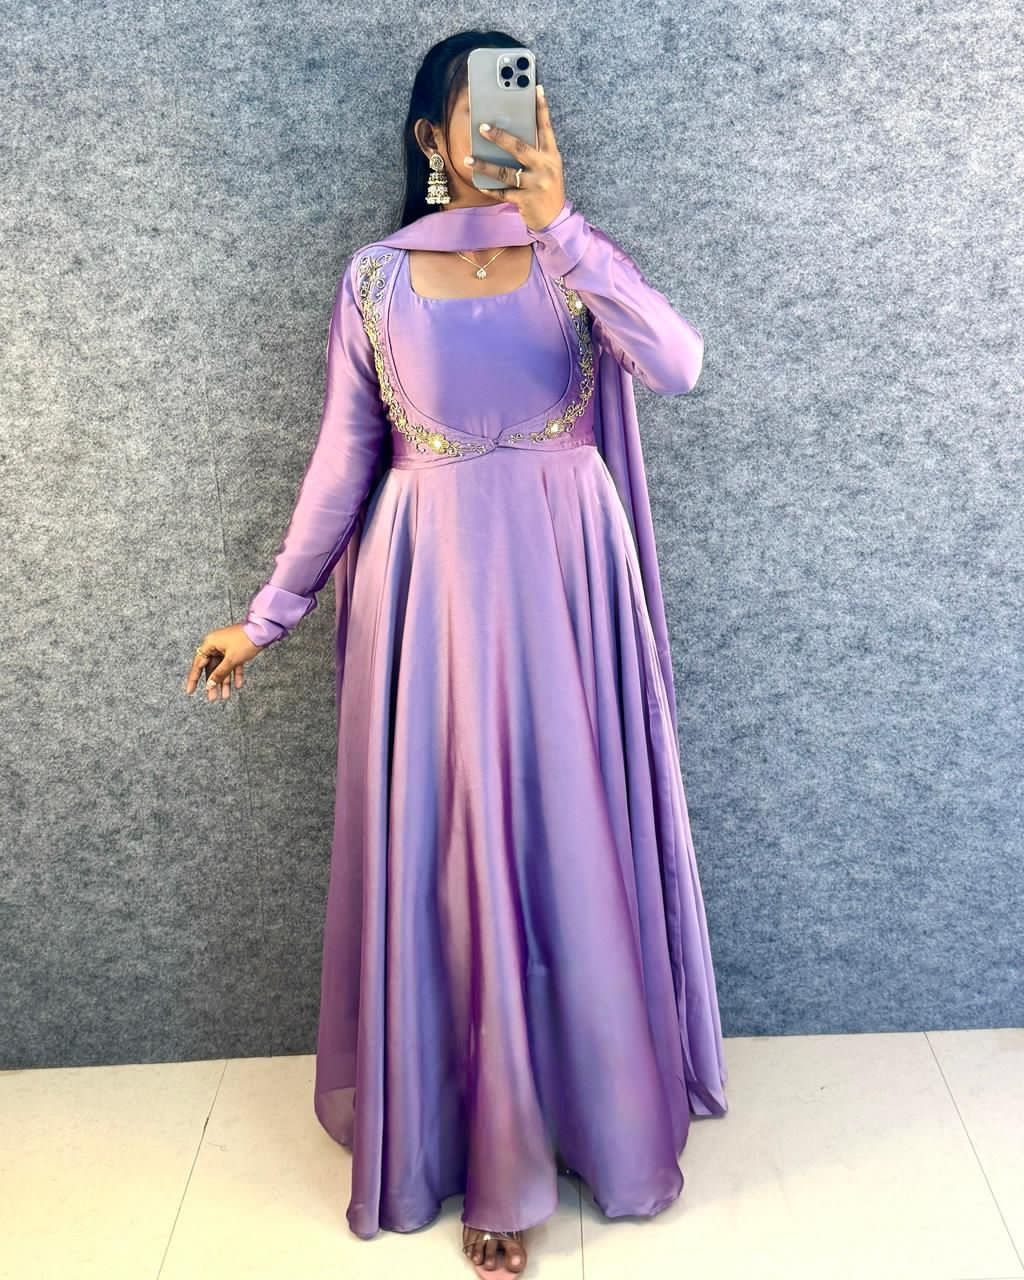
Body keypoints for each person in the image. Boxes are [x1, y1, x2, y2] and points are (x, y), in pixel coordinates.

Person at [185, 29, 728, 1278]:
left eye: (515, 107)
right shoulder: (374, 279)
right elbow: (344, 458)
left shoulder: (573, 256)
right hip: (427, 593)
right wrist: (267, 611)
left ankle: (593, 1115)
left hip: (566, 587)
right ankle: (491, 1158)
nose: (495, 133)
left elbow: (679, 365)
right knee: (455, 857)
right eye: (469, 115)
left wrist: (561, 223)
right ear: (430, 136)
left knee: (572, 840)